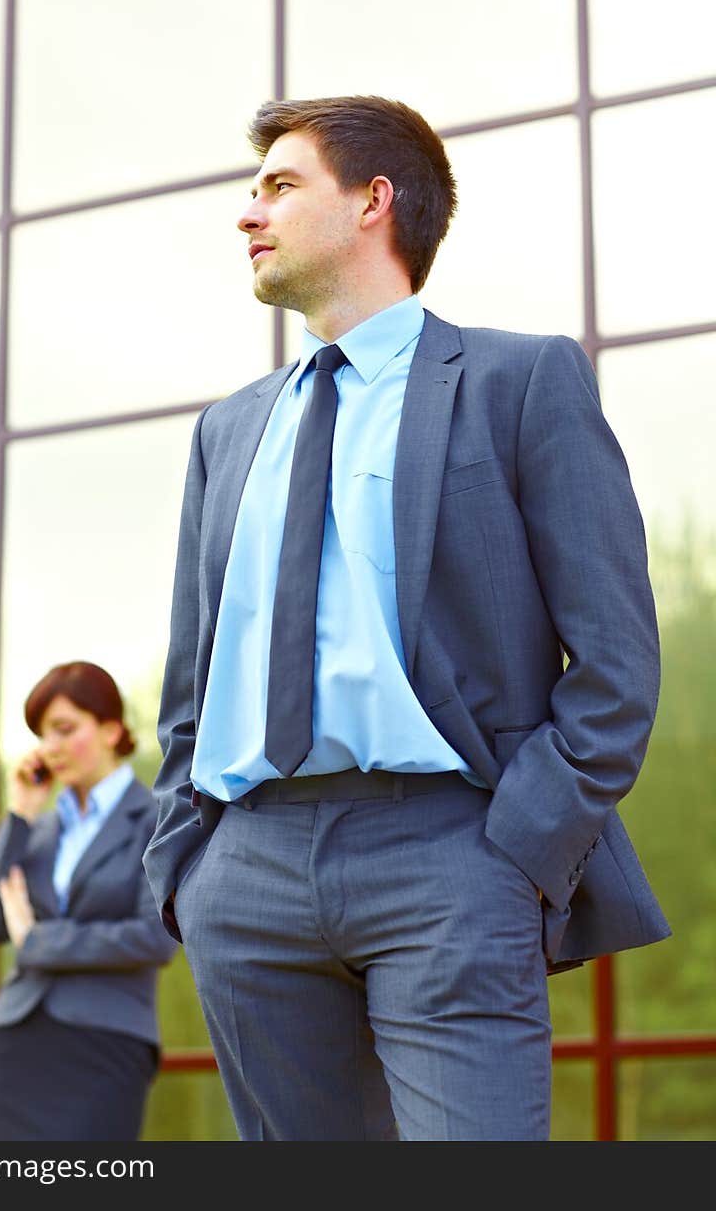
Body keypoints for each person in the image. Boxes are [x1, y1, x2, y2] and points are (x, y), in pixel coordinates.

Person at [142, 94, 671, 1142]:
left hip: (451, 854)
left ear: (375, 200)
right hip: (246, 874)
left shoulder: (519, 380)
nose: (248, 214)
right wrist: (186, 866)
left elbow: (613, 661)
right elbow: (191, 681)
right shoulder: (227, 431)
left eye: (280, 186)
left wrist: (517, 848)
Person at [0, 660, 177, 1141]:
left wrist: (39, 941)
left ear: (111, 729)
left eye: (64, 729)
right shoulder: (39, 831)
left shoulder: (156, 820)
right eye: (43, 735)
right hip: (18, 1039)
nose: (50, 748)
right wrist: (19, 813)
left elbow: (155, 938)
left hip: (105, 1041)